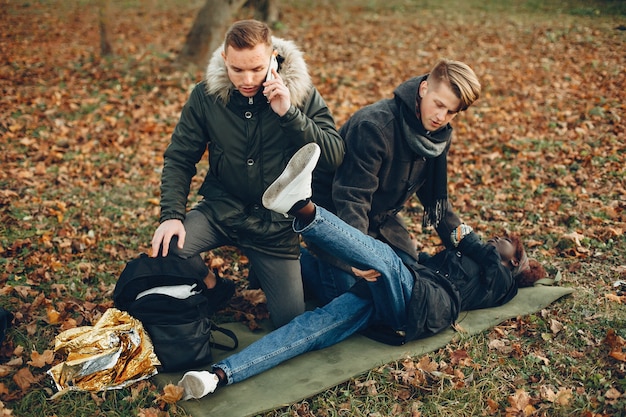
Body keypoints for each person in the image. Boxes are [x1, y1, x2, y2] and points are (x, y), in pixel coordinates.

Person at [176, 143, 547, 400]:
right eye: (496, 236)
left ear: (514, 261)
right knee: (313, 328)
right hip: (396, 295)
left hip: (425, 304)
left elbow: (468, 241)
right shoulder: (483, 267)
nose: (494, 238)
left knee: (385, 258)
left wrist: (464, 229)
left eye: (504, 242)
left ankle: (302, 207)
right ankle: (217, 376)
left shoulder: (502, 282)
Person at [150, 20, 345, 328]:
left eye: (256, 68)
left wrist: (289, 114)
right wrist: (172, 215)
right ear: (225, 59)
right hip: (222, 210)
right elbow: (180, 157)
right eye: (237, 70)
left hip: (275, 227)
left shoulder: (301, 94)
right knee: (170, 249)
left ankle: (295, 267)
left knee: (290, 323)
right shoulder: (206, 97)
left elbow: (334, 156)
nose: (247, 79)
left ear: (273, 57)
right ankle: (216, 287)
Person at [306, 58, 482, 305]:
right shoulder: (374, 126)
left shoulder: (437, 137)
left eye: (451, 111)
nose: (441, 117)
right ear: (423, 89)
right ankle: (301, 261)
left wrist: (468, 242)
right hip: (337, 220)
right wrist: (357, 256)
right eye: (439, 104)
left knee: (409, 285)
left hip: (380, 221)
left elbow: (435, 200)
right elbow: (351, 198)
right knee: (357, 297)